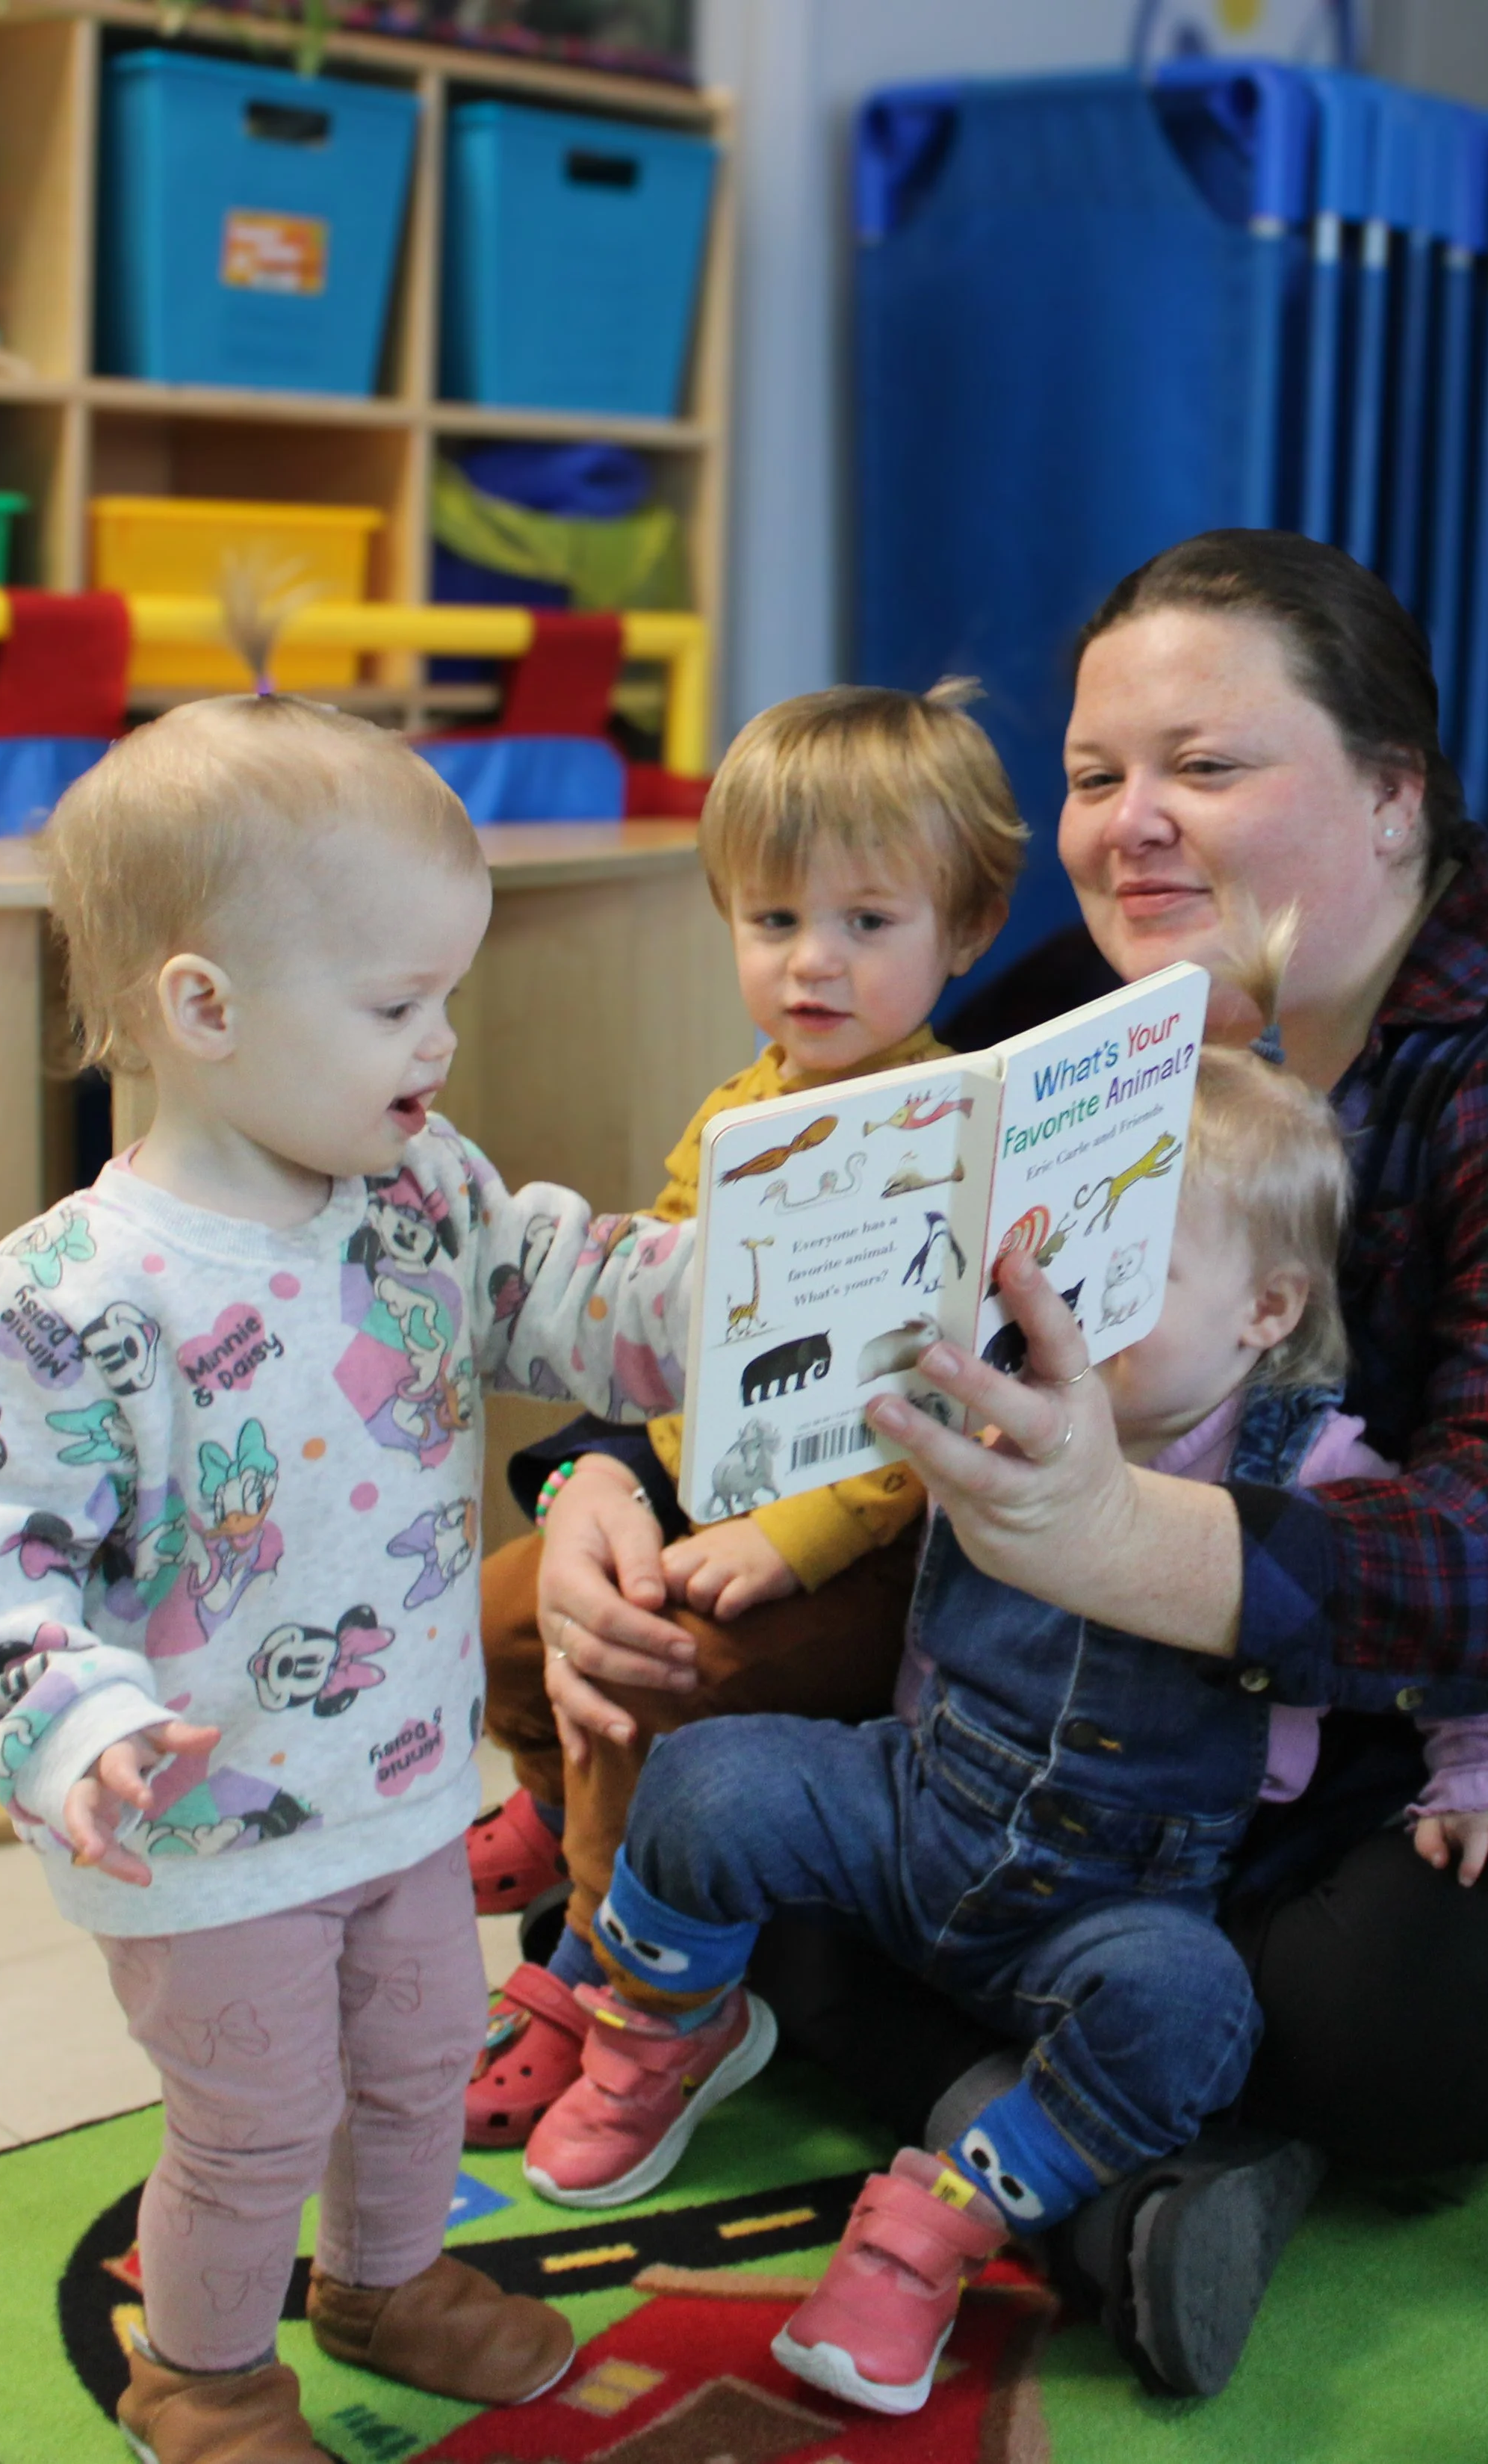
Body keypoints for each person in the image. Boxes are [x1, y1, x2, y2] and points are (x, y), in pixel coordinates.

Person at [528, 529, 1488, 2397]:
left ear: (1389, 789)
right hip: (1087, 1707)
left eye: (1206, 765)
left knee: (1404, 2010)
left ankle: (961, 2054)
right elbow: (815, 1285)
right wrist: (605, 1473)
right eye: (1097, 775)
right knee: (573, 1644)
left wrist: (1110, 1528)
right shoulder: (1081, 1020)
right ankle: (1098, 2129)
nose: (1133, 825)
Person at [518, 944, 1488, 2418]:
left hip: (1110, 1895)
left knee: (1191, 2004)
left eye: (1120, 1272)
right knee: (711, 1775)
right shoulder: (975, 1377)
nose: (1051, 1298)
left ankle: (937, 2223)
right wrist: (594, 1469)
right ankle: (660, 2021)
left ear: (1263, 1312)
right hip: (913, 1799)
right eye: (1046, 1252)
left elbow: (1451, 1612)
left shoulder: (1316, 1467)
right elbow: (754, 1391)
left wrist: (1481, 1775)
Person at [0, 692, 696, 2464]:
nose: (444, 1037)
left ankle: (385, 2280)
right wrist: (72, 1712)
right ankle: (199, 2367)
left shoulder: (415, 1189)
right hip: (204, 1821)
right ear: (205, 1008)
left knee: (422, 2050)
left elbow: (559, 1287)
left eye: (448, 992)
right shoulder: (83, 1291)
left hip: (399, 1779)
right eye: (397, 1002)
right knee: (257, 2115)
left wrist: (723, 1295)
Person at [465, 680, 1021, 2146]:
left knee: (650, 1668)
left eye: (864, 922)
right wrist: (616, 1483)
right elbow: (665, 1308)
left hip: (867, 1551)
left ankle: (608, 1968)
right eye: (771, 921)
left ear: (960, 932)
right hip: (703, 1487)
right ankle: (552, 1806)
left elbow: (925, 1402)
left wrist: (786, 1537)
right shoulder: (739, 1104)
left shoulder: (947, 1131)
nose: (809, 963)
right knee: (498, 1617)